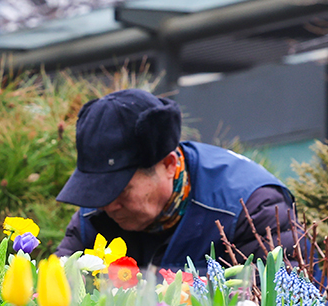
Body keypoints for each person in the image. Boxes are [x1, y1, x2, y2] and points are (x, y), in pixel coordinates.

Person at [55, 89, 303, 270]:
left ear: (168, 165)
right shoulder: (95, 211)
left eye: (119, 190)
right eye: (97, 191)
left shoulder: (252, 208)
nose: (107, 206)